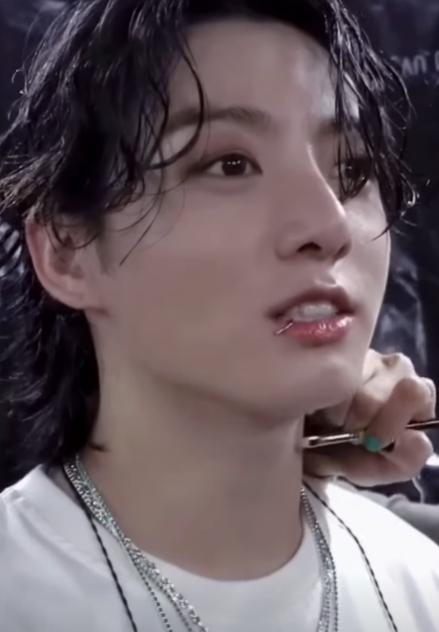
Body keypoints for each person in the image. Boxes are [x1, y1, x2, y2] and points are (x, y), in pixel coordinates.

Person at [0, 0, 439, 631]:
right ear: (68, 251)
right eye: (229, 164)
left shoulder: (419, 585)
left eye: (352, 171)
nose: (329, 224)